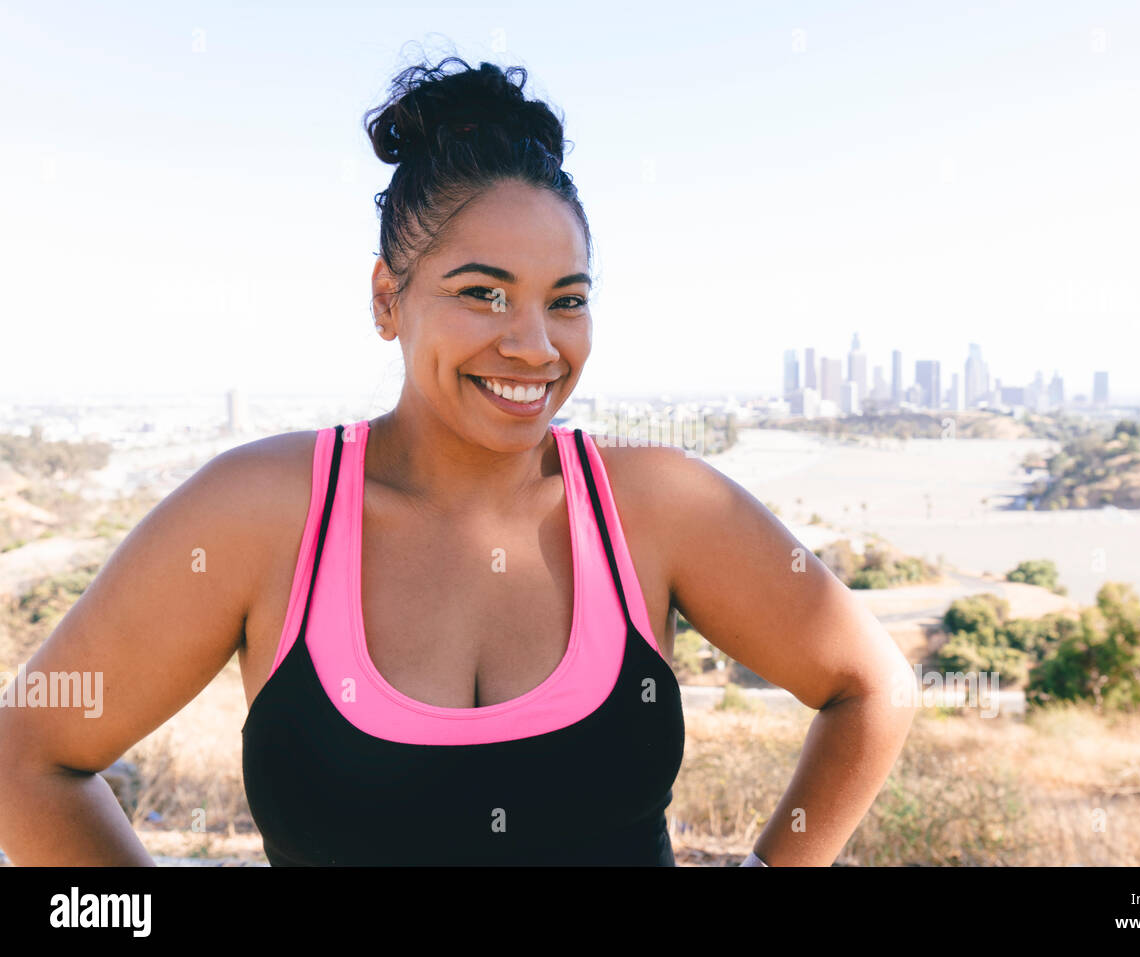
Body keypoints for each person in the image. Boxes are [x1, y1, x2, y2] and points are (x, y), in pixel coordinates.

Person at [0, 53, 917, 866]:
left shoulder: (657, 504)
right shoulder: (258, 512)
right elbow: (25, 756)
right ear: (387, 299)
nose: (533, 345)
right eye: (483, 293)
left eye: (566, 299)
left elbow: (872, 687)